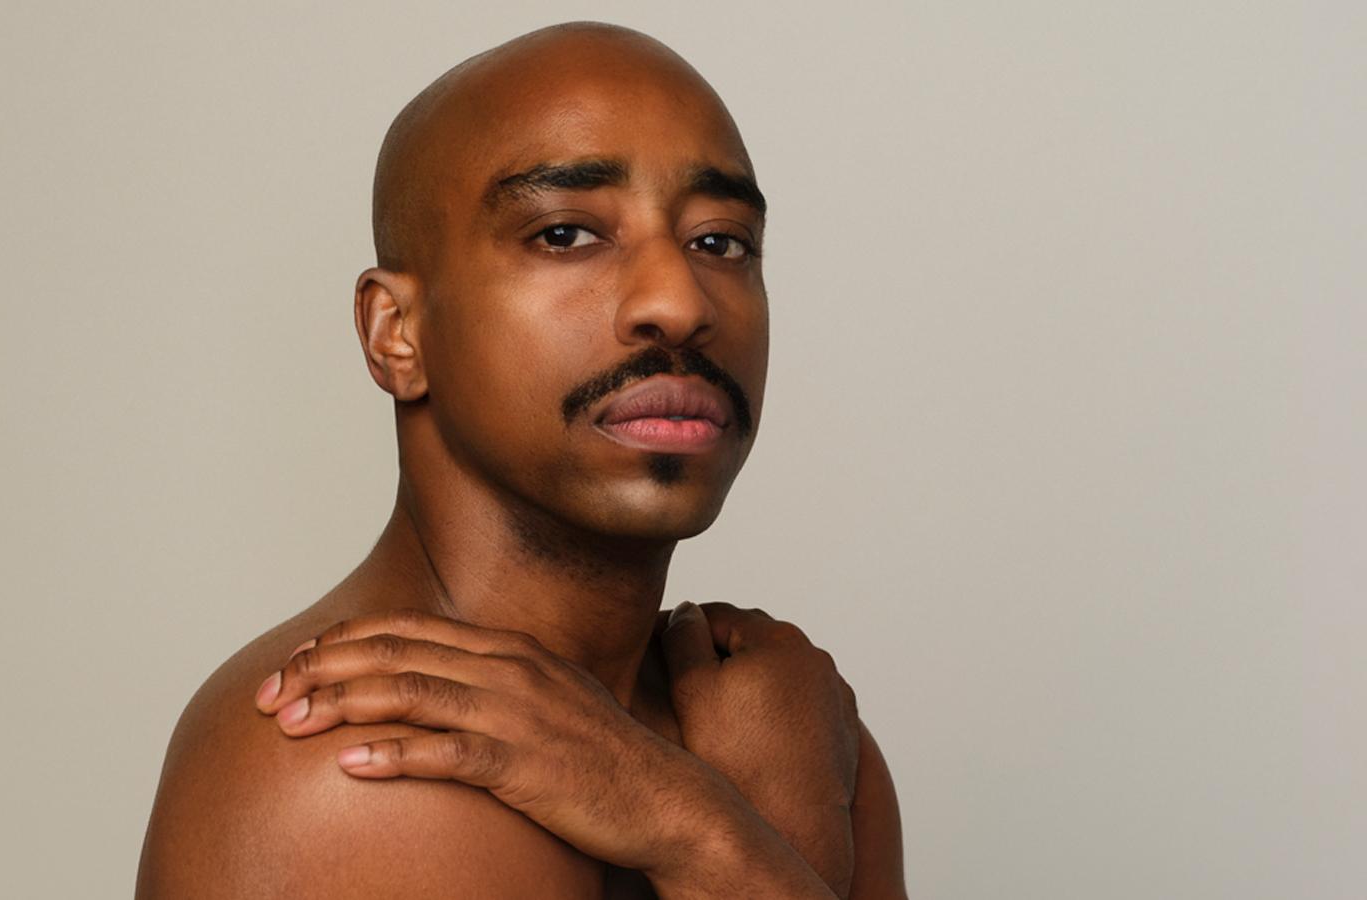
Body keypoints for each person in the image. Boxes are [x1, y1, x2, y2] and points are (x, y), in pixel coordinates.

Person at [137, 21, 905, 899]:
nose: (678, 302)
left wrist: (736, 821)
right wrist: (733, 844)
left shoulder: (792, 736)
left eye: (719, 242)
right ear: (398, 335)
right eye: (566, 234)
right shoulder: (366, 763)